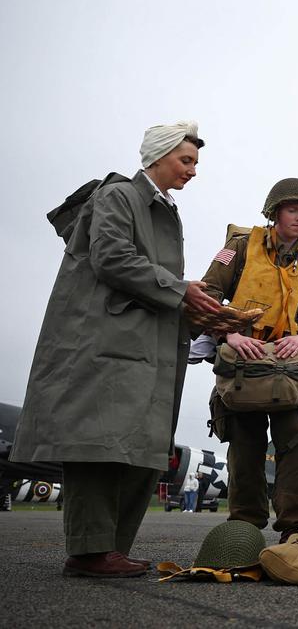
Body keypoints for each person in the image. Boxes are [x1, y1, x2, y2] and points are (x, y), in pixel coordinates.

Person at [11, 121, 221, 578]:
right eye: (186, 160)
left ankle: (110, 550)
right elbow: (111, 257)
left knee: (144, 449)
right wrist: (180, 289)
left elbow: (148, 277)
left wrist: (195, 307)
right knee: (98, 447)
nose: (193, 170)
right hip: (110, 343)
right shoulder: (119, 196)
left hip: (148, 346)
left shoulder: (164, 208)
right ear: (159, 156)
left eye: (195, 162)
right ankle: (89, 552)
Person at [201, 178, 298, 543]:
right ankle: (244, 527)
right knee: (244, 444)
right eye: (293, 210)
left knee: (297, 445)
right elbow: (207, 293)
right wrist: (229, 334)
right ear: (274, 212)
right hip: (243, 363)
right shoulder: (239, 247)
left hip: (290, 366)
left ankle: (293, 529)